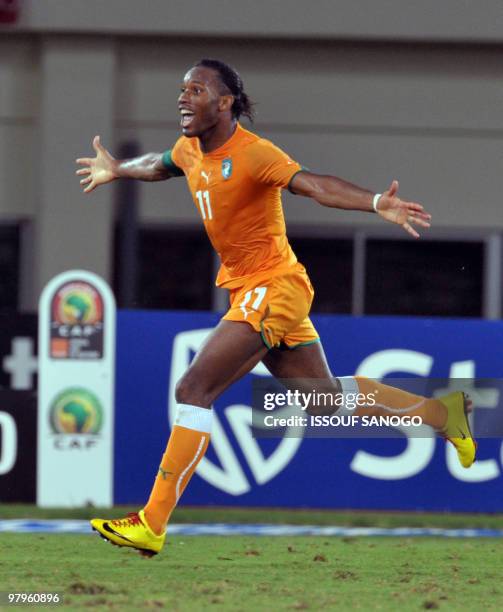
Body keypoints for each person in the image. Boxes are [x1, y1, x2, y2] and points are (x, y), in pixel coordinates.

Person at [76, 59, 476, 557]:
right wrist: (117, 168)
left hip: (275, 287)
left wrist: (376, 202)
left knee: (193, 388)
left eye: (196, 89)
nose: (183, 97)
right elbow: (159, 165)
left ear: (224, 103)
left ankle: (151, 523)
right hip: (252, 290)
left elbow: (314, 185)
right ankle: (442, 413)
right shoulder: (189, 150)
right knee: (325, 402)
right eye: (182, 89)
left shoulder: (254, 154)